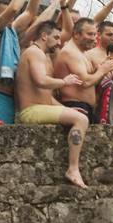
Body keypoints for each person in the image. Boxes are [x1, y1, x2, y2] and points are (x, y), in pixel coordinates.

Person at [16, 20, 92, 188]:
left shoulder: (41, 55)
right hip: (31, 111)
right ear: (44, 36)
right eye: (56, 37)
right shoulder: (34, 53)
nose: (59, 42)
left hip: (41, 107)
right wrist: (64, 82)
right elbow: (41, 81)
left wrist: (65, 109)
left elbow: (46, 96)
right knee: (81, 120)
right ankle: (73, 169)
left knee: (79, 117)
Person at [55, 17, 113, 121]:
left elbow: (90, 78)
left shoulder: (81, 52)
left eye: (94, 34)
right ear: (76, 34)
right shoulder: (70, 52)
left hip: (87, 107)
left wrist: (101, 69)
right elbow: (85, 82)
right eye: (89, 34)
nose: (93, 38)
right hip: (75, 106)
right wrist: (102, 70)